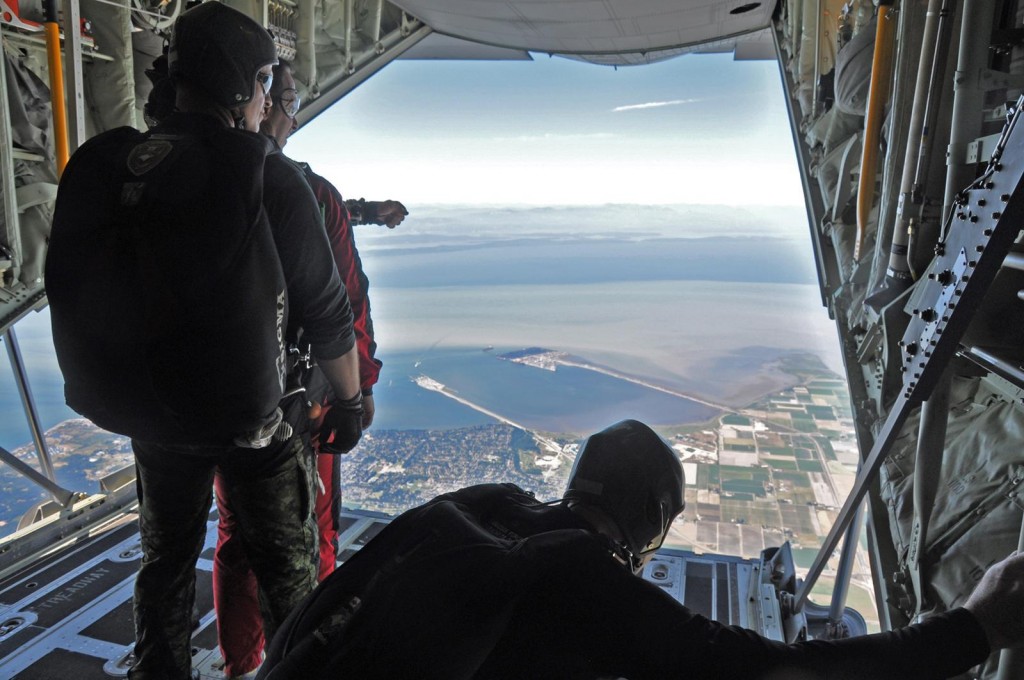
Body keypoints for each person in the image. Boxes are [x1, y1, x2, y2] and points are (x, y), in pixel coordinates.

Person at [48, 4, 365, 679]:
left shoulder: (128, 163)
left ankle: (160, 668)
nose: (264, 105)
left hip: (152, 418)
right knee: (289, 572)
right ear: (243, 87)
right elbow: (330, 316)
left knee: (164, 562)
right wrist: (352, 403)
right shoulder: (267, 175)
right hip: (250, 425)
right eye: (262, 86)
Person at [255, 419, 1024, 680]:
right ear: (651, 522)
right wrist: (974, 628)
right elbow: (781, 670)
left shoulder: (475, 506)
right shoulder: (588, 584)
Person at [211, 59, 405, 678]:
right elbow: (343, 307)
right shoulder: (307, 191)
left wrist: (366, 209)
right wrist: (358, 391)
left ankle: (241, 665)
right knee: (311, 537)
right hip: (298, 406)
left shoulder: (200, 180)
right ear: (263, 104)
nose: (292, 109)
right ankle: (304, 664)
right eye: (287, 97)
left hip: (210, 400)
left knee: (237, 537)